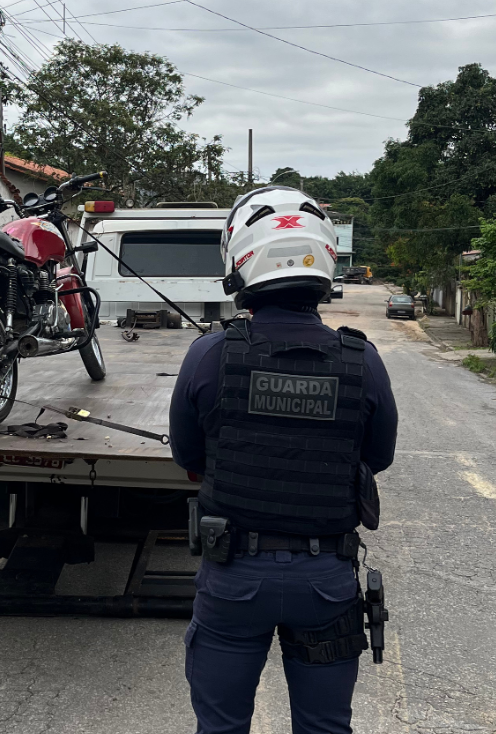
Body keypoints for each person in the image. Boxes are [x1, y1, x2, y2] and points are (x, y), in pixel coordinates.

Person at [169, 186, 398, 734]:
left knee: (220, 727)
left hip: (234, 579)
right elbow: (378, 457)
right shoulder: (360, 360)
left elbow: (187, 454)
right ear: (325, 259)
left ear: (240, 262)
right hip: (326, 582)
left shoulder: (211, 353)